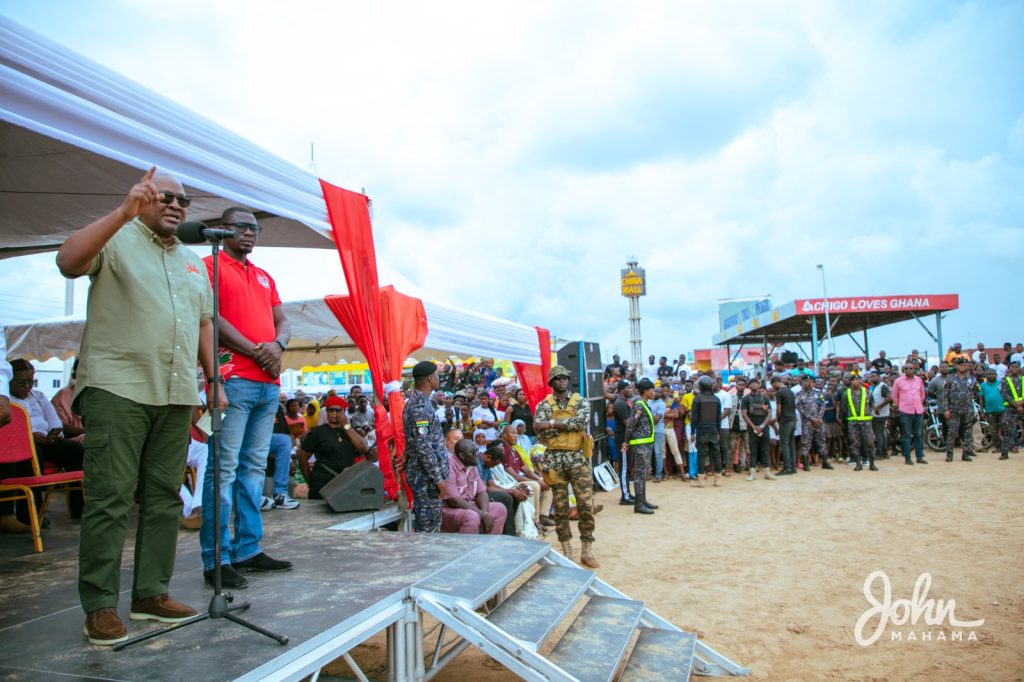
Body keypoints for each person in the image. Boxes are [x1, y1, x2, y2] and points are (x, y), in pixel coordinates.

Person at [56, 167, 219, 645]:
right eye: (164, 195)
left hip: (176, 393)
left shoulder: (193, 262)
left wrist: (214, 380)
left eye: (183, 200)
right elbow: (68, 262)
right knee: (110, 497)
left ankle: (151, 593)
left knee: (166, 495)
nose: (175, 204)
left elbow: (205, 323)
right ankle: (99, 605)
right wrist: (123, 211)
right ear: (143, 199)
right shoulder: (117, 238)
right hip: (118, 388)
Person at [199, 207, 293, 589]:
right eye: (242, 226)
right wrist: (258, 350)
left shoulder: (265, 276)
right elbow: (210, 317)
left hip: (266, 384)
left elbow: (283, 321)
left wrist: (276, 344)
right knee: (222, 469)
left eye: (254, 228)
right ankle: (216, 558)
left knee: (254, 468)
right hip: (232, 379)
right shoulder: (209, 267)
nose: (250, 233)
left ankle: (248, 548)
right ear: (222, 229)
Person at [534, 364, 598, 568]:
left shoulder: (581, 402)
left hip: (578, 459)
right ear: (551, 382)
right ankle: (567, 550)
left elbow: (581, 423)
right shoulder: (544, 405)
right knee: (560, 509)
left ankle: (587, 549)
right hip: (555, 461)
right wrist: (563, 426)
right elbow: (539, 431)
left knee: (586, 505)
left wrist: (552, 424)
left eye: (565, 378)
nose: (562, 380)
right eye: (558, 378)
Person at [8, 359, 85, 520]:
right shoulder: (5, 400)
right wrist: (31, 437)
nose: (28, 387)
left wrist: (53, 435)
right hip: (22, 442)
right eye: (22, 383)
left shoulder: (39, 396)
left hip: (47, 439)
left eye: (31, 382)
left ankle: (78, 508)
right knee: (33, 455)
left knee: (75, 450)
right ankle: (31, 516)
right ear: (9, 380)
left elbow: (55, 422)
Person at [403, 361, 449, 533]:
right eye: (437, 375)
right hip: (426, 479)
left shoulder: (420, 402)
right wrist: (438, 479)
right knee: (429, 530)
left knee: (431, 527)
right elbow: (423, 447)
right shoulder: (420, 406)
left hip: (427, 477)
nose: (439, 378)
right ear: (430, 378)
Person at [297, 396, 368, 499]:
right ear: (326, 412)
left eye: (338, 410)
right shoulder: (318, 432)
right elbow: (302, 457)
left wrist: (346, 426)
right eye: (331, 410)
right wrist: (310, 480)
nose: (334, 413)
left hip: (346, 482)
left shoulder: (350, 431)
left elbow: (364, 448)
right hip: (322, 483)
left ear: (344, 411)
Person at [441, 439, 507, 535]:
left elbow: (482, 492)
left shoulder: (471, 464)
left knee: (500, 509)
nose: (477, 454)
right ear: (462, 455)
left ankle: (489, 547)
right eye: (473, 452)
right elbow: (454, 501)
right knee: (472, 516)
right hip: (449, 510)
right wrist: (482, 515)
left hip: (470, 505)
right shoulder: (449, 467)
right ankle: (465, 548)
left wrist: (484, 513)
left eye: (477, 450)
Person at [623, 378, 657, 514]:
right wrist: (626, 441)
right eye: (652, 390)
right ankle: (639, 504)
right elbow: (631, 425)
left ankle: (642, 501)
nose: (654, 392)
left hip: (645, 443)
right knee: (640, 474)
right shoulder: (639, 405)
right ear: (646, 391)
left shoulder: (643, 404)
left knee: (643, 474)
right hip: (640, 444)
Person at [891, 363, 929, 465]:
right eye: (906, 368)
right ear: (903, 370)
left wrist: (918, 403)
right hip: (905, 411)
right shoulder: (898, 381)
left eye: (911, 368)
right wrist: (901, 406)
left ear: (914, 369)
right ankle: (907, 458)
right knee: (906, 435)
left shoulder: (919, 380)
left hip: (918, 410)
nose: (908, 370)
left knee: (918, 434)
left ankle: (919, 456)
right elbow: (894, 396)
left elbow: (922, 394)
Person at [691, 375, 723, 486]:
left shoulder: (697, 398)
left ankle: (701, 480)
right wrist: (718, 431)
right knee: (716, 454)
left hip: (701, 430)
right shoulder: (716, 399)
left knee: (701, 455)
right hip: (713, 429)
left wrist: (692, 432)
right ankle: (718, 479)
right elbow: (718, 418)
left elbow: (694, 418)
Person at [943, 358, 977, 463]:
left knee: (967, 433)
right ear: (956, 366)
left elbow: (974, 393)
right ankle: (949, 454)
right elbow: (945, 395)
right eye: (960, 365)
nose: (963, 366)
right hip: (953, 411)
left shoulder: (972, 379)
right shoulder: (950, 378)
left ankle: (966, 454)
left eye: (965, 365)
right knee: (952, 433)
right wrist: (946, 409)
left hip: (968, 410)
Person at [741, 378, 775, 479]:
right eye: (752, 384)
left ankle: (767, 472)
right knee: (753, 450)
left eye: (756, 384)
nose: (754, 385)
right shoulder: (746, 399)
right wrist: (753, 426)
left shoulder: (765, 398)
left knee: (765, 450)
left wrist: (762, 426)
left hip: (764, 427)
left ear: (759, 385)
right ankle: (752, 472)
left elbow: (769, 413)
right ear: (749, 386)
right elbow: (744, 414)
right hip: (752, 428)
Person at [795, 374, 831, 471]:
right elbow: (800, 408)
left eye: (810, 381)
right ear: (802, 383)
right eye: (805, 382)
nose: (808, 383)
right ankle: (806, 464)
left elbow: (823, 405)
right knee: (806, 443)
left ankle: (825, 462)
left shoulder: (818, 394)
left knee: (822, 441)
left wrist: (818, 418)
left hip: (819, 422)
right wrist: (812, 419)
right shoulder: (799, 395)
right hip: (807, 423)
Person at [841, 375, 877, 471]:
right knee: (855, 443)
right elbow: (843, 408)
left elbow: (872, 405)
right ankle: (858, 463)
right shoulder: (846, 393)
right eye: (853, 380)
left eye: (858, 379)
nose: (856, 381)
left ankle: (872, 463)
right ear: (851, 382)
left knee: (870, 442)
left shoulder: (867, 392)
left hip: (866, 422)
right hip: (853, 422)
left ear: (861, 381)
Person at [611, 381, 634, 503]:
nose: (631, 390)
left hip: (627, 439)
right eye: (628, 388)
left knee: (628, 467)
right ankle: (625, 497)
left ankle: (628, 493)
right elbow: (627, 423)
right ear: (621, 390)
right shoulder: (620, 404)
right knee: (624, 469)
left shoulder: (625, 402)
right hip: (623, 440)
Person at [771, 375, 798, 475]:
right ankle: (793, 467)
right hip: (793, 419)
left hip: (785, 420)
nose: (773, 388)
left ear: (775, 383)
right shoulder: (790, 391)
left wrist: (778, 419)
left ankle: (787, 468)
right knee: (791, 444)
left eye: (773, 385)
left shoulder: (779, 393)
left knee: (784, 444)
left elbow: (779, 409)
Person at [999, 361, 1022, 459]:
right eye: (1013, 366)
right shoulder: (1005, 380)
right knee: (1007, 430)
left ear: (1020, 368)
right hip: (1010, 408)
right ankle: (1005, 453)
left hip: (1022, 406)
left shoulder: (1023, 379)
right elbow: (1004, 394)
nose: (1015, 368)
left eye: (1017, 366)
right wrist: (1016, 405)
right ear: (1009, 368)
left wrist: (1021, 404)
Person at [868, 371, 892, 460]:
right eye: (871, 377)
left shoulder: (882, 386)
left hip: (881, 414)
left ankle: (879, 453)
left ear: (879, 377)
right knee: (880, 433)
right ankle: (884, 452)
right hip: (876, 413)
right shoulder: (874, 387)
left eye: (874, 376)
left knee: (878, 433)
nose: (872, 378)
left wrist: (879, 407)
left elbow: (889, 398)